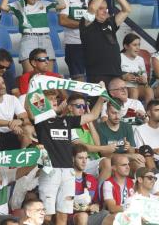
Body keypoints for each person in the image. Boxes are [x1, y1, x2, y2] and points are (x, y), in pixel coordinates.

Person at [30, 88, 104, 224]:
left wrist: (102, 96)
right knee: (46, 215)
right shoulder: (40, 121)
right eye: (50, 99)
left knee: (63, 214)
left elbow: (93, 115)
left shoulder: (67, 121)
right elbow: (31, 101)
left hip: (68, 172)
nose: (54, 101)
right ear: (42, 104)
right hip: (50, 170)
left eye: (55, 99)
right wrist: (56, 110)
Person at [0, 0, 65, 73]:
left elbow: (62, 5)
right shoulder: (19, 4)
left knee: (48, 76)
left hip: (45, 39)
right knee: (30, 76)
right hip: (28, 39)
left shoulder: (44, 3)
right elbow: (3, 6)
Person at [80, 0, 131, 85]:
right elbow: (93, 7)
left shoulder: (110, 22)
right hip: (97, 74)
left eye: (106, 8)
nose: (105, 11)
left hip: (116, 72)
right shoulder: (87, 22)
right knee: (99, 102)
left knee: (117, 102)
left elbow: (127, 10)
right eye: (101, 8)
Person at [58, 0, 99, 81]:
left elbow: (100, 18)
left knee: (95, 78)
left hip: (93, 43)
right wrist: (85, 24)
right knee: (78, 80)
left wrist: (81, 24)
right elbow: (62, 20)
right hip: (74, 44)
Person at [0, 74, 33, 150]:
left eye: (3, 83)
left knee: (28, 129)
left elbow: (25, 118)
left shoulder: (12, 98)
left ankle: (25, 159)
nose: (2, 86)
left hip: (12, 132)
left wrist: (20, 121)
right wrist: (11, 123)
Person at [68, 94, 113, 181]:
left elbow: (97, 143)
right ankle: (98, 193)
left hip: (92, 160)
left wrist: (90, 121)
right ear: (70, 108)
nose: (82, 109)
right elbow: (80, 146)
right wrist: (104, 148)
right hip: (78, 161)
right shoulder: (67, 122)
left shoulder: (87, 123)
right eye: (78, 106)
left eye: (84, 106)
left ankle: (99, 191)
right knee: (106, 162)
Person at [71, 143, 113, 225]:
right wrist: (87, 208)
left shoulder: (91, 179)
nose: (84, 161)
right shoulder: (66, 179)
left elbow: (97, 202)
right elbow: (64, 204)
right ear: (72, 159)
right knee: (82, 216)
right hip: (72, 217)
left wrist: (96, 205)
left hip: (91, 216)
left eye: (86, 158)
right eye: (80, 158)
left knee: (113, 217)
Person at [97, 101, 145, 171]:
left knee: (140, 162)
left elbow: (132, 152)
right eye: (113, 113)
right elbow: (105, 155)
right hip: (109, 163)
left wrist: (128, 148)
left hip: (126, 161)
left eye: (119, 113)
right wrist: (129, 156)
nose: (117, 116)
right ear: (107, 112)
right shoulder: (100, 128)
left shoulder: (127, 126)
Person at [120, 33, 153, 101]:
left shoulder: (140, 59)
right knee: (134, 91)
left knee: (149, 90)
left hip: (137, 86)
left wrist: (143, 80)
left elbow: (145, 78)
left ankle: (149, 111)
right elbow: (112, 74)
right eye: (134, 45)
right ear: (126, 46)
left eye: (139, 45)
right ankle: (132, 111)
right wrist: (124, 76)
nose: (138, 48)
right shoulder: (119, 57)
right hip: (123, 87)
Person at [134, 100, 159, 167]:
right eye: (157, 110)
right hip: (151, 161)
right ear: (149, 113)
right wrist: (153, 151)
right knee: (147, 153)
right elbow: (138, 151)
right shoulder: (139, 130)